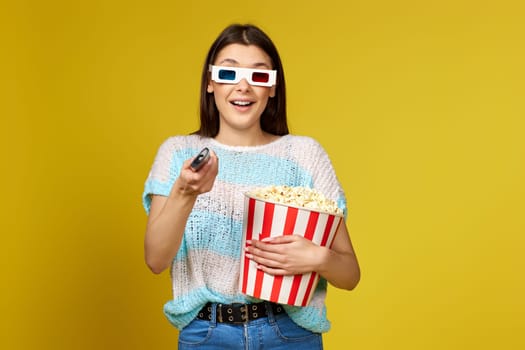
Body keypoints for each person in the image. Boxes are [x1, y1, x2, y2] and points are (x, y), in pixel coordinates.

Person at [142, 23, 360, 349]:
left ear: (272, 88)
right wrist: (186, 192)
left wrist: (317, 258)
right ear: (210, 83)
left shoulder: (304, 155)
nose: (243, 87)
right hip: (207, 336)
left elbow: (350, 274)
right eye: (229, 74)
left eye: (259, 76)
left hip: (289, 334)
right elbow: (156, 260)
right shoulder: (178, 154)